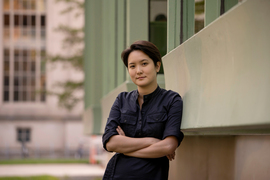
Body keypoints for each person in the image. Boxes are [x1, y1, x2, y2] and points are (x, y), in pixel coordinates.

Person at [102, 40, 184, 180]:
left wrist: (125, 148)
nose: (138, 70)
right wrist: (153, 141)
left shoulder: (172, 100)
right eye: (132, 66)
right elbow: (110, 143)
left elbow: (168, 146)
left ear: (157, 66)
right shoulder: (122, 100)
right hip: (116, 175)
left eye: (144, 64)